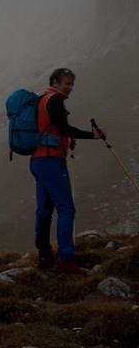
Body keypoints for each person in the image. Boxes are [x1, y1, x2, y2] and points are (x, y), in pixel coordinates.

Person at [30, 68, 104, 274]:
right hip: (52, 161)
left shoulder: (40, 99)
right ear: (55, 82)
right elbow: (63, 128)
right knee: (66, 209)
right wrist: (92, 135)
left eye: (72, 83)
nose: (70, 87)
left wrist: (65, 141)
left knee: (44, 210)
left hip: (37, 160)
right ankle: (65, 258)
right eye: (67, 83)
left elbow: (50, 129)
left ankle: (45, 255)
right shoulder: (54, 100)